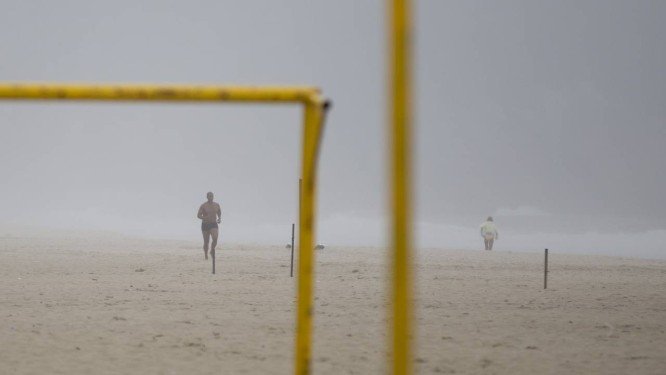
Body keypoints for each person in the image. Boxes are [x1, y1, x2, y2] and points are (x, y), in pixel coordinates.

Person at [197, 192, 221, 260]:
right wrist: (204, 218)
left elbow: (219, 212)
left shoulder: (216, 205)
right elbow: (198, 215)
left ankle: (212, 250)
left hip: (213, 224)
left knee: (215, 238)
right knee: (206, 242)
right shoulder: (203, 205)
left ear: (213, 197)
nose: (211, 197)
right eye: (209, 196)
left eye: (212, 196)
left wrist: (219, 218)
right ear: (207, 197)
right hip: (205, 224)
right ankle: (205, 254)